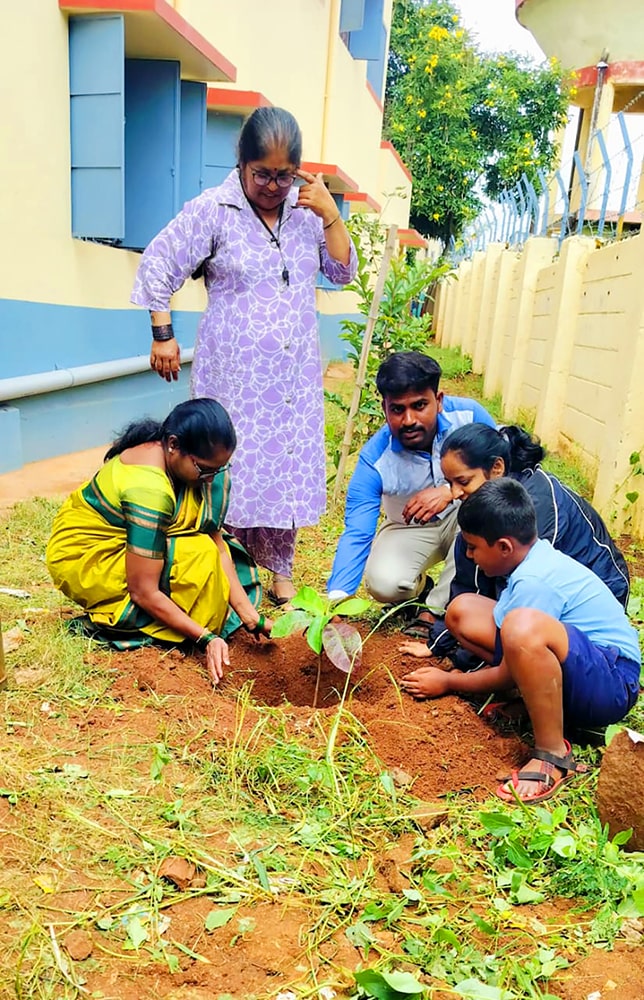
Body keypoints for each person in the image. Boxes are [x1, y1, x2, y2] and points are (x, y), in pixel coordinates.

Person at [131, 107, 357, 607]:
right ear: (241, 163)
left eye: (284, 175)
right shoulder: (214, 209)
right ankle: (229, 569)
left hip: (292, 378)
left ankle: (279, 571)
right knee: (230, 464)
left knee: (283, 467)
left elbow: (342, 272)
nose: (274, 186)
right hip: (233, 377)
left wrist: (331, 214)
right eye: (263, 174)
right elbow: (159, 263)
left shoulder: (307, 211)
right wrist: (162, 334)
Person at [401, 480, 640, 803]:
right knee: (462, 610)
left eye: (472, 547)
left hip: (611, 685)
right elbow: (509, 652)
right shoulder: (531, 561)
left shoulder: (534, 581)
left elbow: (508, 668)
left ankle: (552, 754)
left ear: (504, 547)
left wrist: (449, 681)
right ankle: (534, 701)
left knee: (520, 626)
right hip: (583, 666)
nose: (469, 555)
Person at [46, 399, 273, 687]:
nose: (211, 480)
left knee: (207, 547)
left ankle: (186, 615)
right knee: (197, 556)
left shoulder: (186, 464)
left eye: (219, 469)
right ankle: (146, 626)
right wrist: (205, 637)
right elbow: (143, 591)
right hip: (89, 559)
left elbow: (215, 540)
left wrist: (250, 616)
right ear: (173, 445)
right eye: (204, 470)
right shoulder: (148, 489)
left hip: (141, 546)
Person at [400, 423, 630, 662]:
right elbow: (469, 582)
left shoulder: (534, 511)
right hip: (544, 602)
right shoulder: (486, 504)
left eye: (463, 481)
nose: (455, 493)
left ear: (497, 468)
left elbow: (521, 603)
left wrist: (466, 668)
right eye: (450, 483)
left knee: (518, 638)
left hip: (590, 613)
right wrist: (437, 644)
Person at [327, 351, 496, 612]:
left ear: (438, 400)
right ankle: (420, 590)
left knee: (484, 520)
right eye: (397, 409)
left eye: (419, 405)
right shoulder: (375, 460)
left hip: (466, 515)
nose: (409, 420)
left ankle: (436, 611)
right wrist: (334, 604)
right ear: (384, 409)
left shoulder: (470, 417)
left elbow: (504, 470)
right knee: (384, 583)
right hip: (409, 526)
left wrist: (450, 490)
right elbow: (357, 532)